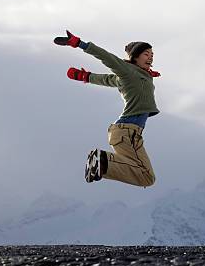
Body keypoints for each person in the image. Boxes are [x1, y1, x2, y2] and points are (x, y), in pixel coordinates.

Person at [54, 30, 161, 188]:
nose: (151, 57)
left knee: (147, 178)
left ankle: (102, 162)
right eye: (146, 54)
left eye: (152, 54)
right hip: (126, 132)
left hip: (129, 134)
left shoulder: (139, 75)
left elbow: (106, 79)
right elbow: (107, 57)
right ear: (135, 57)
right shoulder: (126, 70)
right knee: (145, 177)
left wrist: (84, 76)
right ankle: (102, 160)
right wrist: (80, 44)